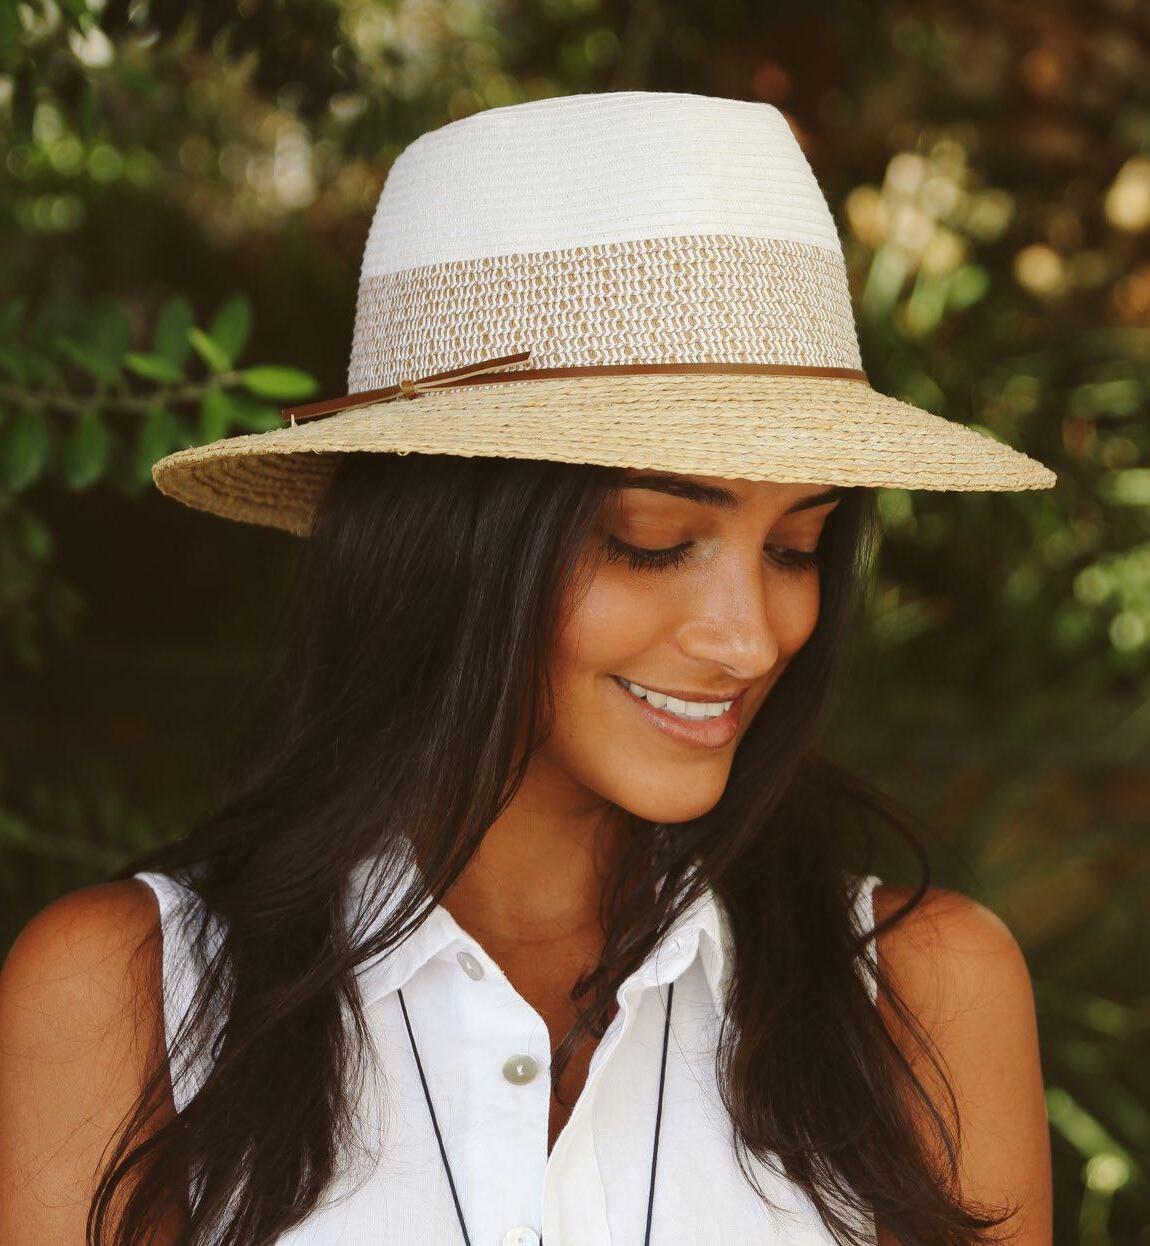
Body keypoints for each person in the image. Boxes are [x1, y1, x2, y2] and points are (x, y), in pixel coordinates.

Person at [0, 91, 1054, 1246]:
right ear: (445, 545)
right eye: (651, 540)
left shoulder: (920, 989)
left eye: (795, 548)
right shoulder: (127, 996)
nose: (750, 639)